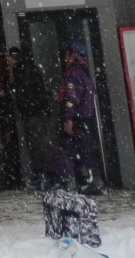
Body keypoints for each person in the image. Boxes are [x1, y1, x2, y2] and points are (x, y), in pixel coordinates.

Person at [52, 41, 105, 195]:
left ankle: (70, 183)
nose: (65, 56)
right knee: (85, 151)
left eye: (67, 53)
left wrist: (68, 118)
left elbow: (71, 97)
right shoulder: (84, 73)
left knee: (66, 151)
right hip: (85, 118)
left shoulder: (73, 73)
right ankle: (94, 181)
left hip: (76, 118)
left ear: (73, 54)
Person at [6, 46, 53, 188]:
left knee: (39, 145)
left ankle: (46, 176)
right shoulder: (27, 69)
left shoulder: (24, 70)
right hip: (34, 112)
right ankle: (42, 175)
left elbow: (20, 89)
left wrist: (12, 76)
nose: (8, 61)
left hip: (34, 113)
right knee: (37, 145)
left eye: (10, 58)